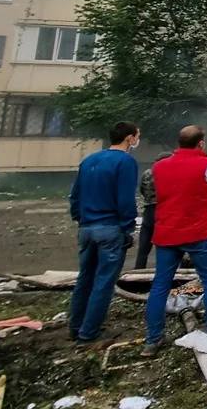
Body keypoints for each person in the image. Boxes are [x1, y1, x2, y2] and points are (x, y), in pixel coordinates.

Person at [142, 125, 207, 357]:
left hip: (167, 233)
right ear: (201, 142)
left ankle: (153, 338)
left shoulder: (159, 167)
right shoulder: (206, 165)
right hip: (199, 233)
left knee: (160, 285)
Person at [67, 121, 140, 344]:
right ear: (129, 138)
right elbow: (125, 198)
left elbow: (75, 195)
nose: (137, 140)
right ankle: (89, 333)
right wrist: (128, 227)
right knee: (104, 282)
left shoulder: (90, 160)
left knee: (84, 279)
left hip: (86, 228)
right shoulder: (125, 162)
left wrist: (80, 218)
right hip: (110, 229)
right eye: (137, 136)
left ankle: (75, 327)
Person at [134, 151, 172, 269]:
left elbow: (142, 190)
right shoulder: (169, 172)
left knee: (144, 243)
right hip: (164, 210)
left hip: (149, 209)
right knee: (165, 243)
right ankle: (164, 268)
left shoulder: (147, 173)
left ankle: (139, 268)